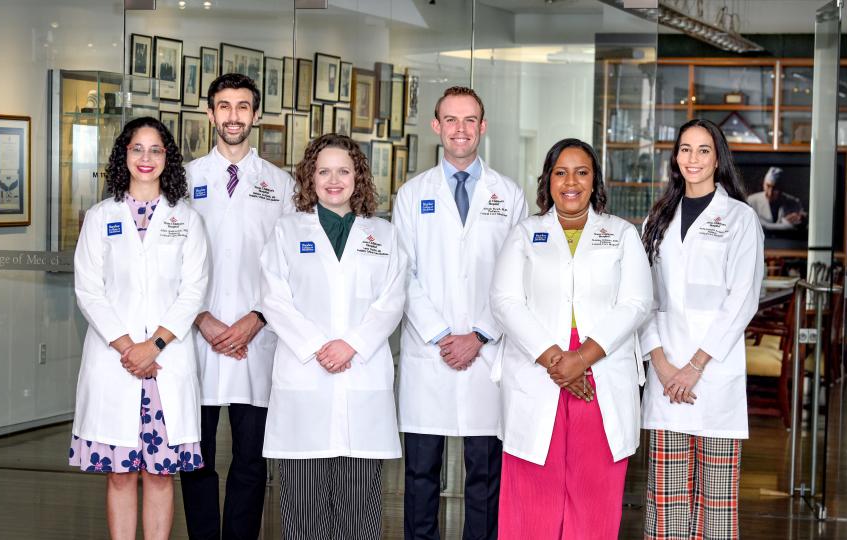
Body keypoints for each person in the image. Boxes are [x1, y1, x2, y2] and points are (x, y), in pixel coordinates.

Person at [490, 138, 654, 539]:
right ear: (548, 181)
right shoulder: (525, 233)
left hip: (600, 368)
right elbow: (504, 300)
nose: (571, 182)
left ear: (594, 180)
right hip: (540, 366)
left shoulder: (621, 234)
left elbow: (636, 303)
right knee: (532, 489)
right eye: (561, 172)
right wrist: (557, 360)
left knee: (594, 488)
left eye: (582, 172)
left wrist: (581, 358)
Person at [393, 86, 527, 540]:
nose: (461, 130)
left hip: (486, 353)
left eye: (470, 120)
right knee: (421, 476)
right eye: (451, 120)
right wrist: (441, 333)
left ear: (483, 127)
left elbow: (516, 278)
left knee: (485, 477)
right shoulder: (412, 195)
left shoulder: (508, 195)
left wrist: (480, 334)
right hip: (430, 352)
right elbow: (402, 275)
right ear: (436, 126)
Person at [259, 133, 408, 540]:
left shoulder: (385, 235)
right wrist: (317, 346)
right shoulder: (286, 232)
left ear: (358, 177)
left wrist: (352, 345)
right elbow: (274, 299)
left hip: (361, 379)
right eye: (323, 171)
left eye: (343, 170)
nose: (333, 180)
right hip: (305, 379)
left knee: (360, 512)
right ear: (310, 178)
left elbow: (392, 302)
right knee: (303, 512)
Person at [69, 116, 209, 540]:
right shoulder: (100, 217)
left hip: (164, 362)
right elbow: (89, 290)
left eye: (155, 150)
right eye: (136, 149)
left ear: (168, 158)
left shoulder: (186, 219)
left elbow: (195, 290)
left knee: (161, 475)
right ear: (123, 156)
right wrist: (131, 348)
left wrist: (155, 345)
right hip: (119, 362)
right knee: (120, 476)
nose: (145, 158)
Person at [180, 73, 296, 540]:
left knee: (251, 460)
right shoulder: (185, 180)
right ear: (210, 114)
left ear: (257, 115)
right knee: (197, 457)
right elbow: (172, 264)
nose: (233, 116)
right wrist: (201, 319)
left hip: (257, 338)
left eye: (242, 107)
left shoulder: (281, 185)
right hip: (197, 335)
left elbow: (290, 266)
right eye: (224, 107)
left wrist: (257, 318)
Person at [638, 118, 764, 539]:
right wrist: (661, 365)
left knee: (717, 505)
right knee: (666, 503)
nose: (693, 158)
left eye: (703, 150)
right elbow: (644, 301)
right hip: (665, 375)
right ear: (676, 158)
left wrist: (693, 367)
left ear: (717, 158)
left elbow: (741, 300)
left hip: (712, 375)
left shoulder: (740, 219)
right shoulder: (656, 218)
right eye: (685, 149)